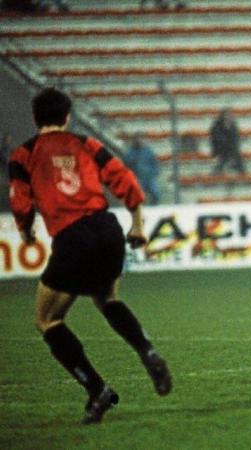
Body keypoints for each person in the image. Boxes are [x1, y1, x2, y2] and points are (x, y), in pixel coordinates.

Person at [7, 87, 172, 424]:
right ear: (67, 117)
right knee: (107, 298)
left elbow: (20, 201)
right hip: (107, 227)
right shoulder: (85, 144)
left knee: (46, 320)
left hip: (72, 235)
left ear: (36, 118)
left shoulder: (24, 154)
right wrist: (138, 224)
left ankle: (97, 390)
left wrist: (25, 232)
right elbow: (123, 178)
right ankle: (147, 349)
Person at [124, 133, 160, 205]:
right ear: (134, 140)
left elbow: (155, 163)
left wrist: (154, 172)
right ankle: (140, 209)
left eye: (141, 139)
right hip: (138, 177)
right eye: (137, 139)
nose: (139, 141)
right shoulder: (130, 152)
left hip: (149, 177)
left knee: (155, 192)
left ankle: (155, 207)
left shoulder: (148, 151)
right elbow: (126, 165)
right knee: (138, 195)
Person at [210, 108, 245, 175]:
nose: (228, 118)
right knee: (225, 156)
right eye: (226, 116)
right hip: (220, 150)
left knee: (237, 157)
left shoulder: (233, 126)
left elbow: (236, 139)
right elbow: (218, 140)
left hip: (231, 150)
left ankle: (243, 175)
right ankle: (219, 171)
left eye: (229, 116)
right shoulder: (216, 127)